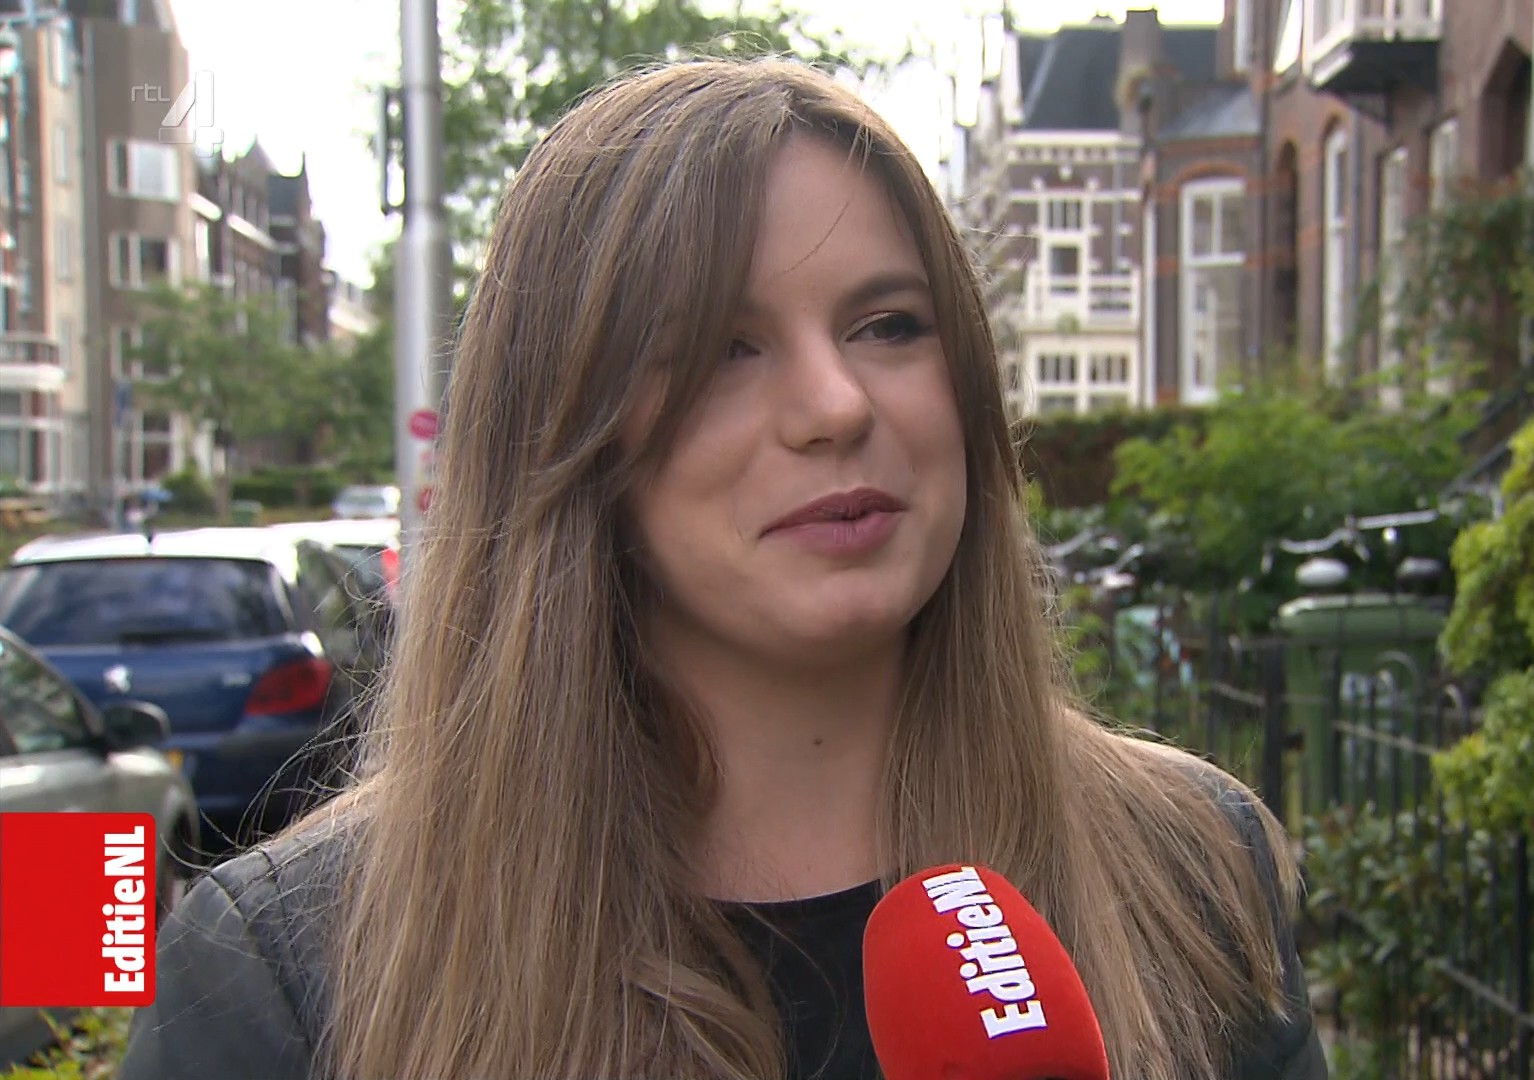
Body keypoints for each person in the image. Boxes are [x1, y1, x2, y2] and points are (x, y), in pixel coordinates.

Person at [118, 58, 1327, 1080]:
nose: (835, 405)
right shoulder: (292, 963)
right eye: (722, 348)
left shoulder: (1189, 862)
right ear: (567, 434)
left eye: (889, 325)